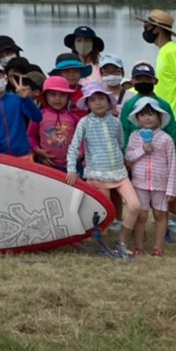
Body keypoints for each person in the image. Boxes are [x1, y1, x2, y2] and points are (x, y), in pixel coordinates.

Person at [66, 81, 140, 250]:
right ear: (88, 104)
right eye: (92, 100)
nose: (98, 103)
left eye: (101, 98)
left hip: (119, 172)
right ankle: (103, 244)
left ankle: (122, 237)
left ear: (108, 101)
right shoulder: (84, 122)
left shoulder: (116, 122)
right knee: (104, 213)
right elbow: (74, 147)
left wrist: (128, 160)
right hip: (97, 174)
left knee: (135, 205)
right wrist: (71, 168)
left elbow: (122, 144)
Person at [139, 8, 176, 210]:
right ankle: (175, 213)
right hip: (167, 118)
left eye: (147, 25)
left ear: (156, 29)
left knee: (170, 168)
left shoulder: (172, 51)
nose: (144, 29)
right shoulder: (164, 51)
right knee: (169, 167)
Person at [124, 97, 176, 257]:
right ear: (137, 119)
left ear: (159, 117)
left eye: (151, 114)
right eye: (142, 115)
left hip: (160, 184)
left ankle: (158, 247)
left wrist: (171, 189)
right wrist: (142, 149)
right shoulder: (134, 136)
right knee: (141, 215)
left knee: (160, 214)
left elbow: (172, 164)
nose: (147, 118)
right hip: (140, 183)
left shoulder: (166, 138)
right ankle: (139, 246)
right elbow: (128, 156)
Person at [0, 61, 41, 165]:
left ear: (5, 77)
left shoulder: (17, 99)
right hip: (0, 158)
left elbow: (37, 118)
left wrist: (27, 99)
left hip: (24, 155)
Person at [30, 75, 80, 173]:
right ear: (45, 96)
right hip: (45, 165)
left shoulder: (74, 118)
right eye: (53, 94)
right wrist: (38, 151)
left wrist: (80, 154)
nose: (58, 98)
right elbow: (30, 136)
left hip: (71, 167)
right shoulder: (38, 115)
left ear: (68, 97)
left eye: (62, 95)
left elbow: (82, 139)